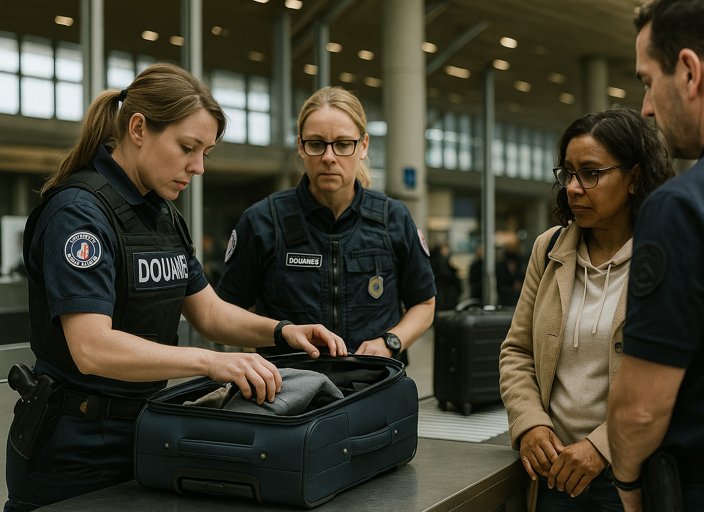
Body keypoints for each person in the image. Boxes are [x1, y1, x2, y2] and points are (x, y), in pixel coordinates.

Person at [4, 63, 347, 512]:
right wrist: (210, 362)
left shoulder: (162, 215)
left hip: (147, 433)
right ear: (139, 128)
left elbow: (208, 312)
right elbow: (92, 347)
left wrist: (284, 331)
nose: (198, 166)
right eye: (188, 147)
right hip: (73, 450)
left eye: (206, 152)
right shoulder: (79, 214)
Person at [607, 1, 704, 510]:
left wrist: (630, 487)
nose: (647, 107)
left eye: (648, 80)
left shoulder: (686, 204)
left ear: (690, 71)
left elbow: (639, 411)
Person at [498, 107, 673, 512]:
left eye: (591, 173)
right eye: (568, 173)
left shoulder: (664, 255)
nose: (574, 188)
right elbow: (517, 351)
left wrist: (603, 446)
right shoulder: (550, 248)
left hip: (629, 477)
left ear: (633, 177)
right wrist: (530, 423)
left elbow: (676, 376)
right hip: (553, 471)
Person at [216, 86, 436, 362]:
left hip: (375, 385)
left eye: (343, 144)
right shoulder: (263, 222)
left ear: (363, 145)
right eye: (317, 144)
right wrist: (280, 332)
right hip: (291, 393)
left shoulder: (394, 219)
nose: (329, 157)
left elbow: (425, 304)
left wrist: (391, 341)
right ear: (300, 145)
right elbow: (225, 314)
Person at [430, 242, 461, 311]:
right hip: (444, 290)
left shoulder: (435, 259)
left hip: (440, 290)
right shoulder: (441, 260)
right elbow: (445, 274)